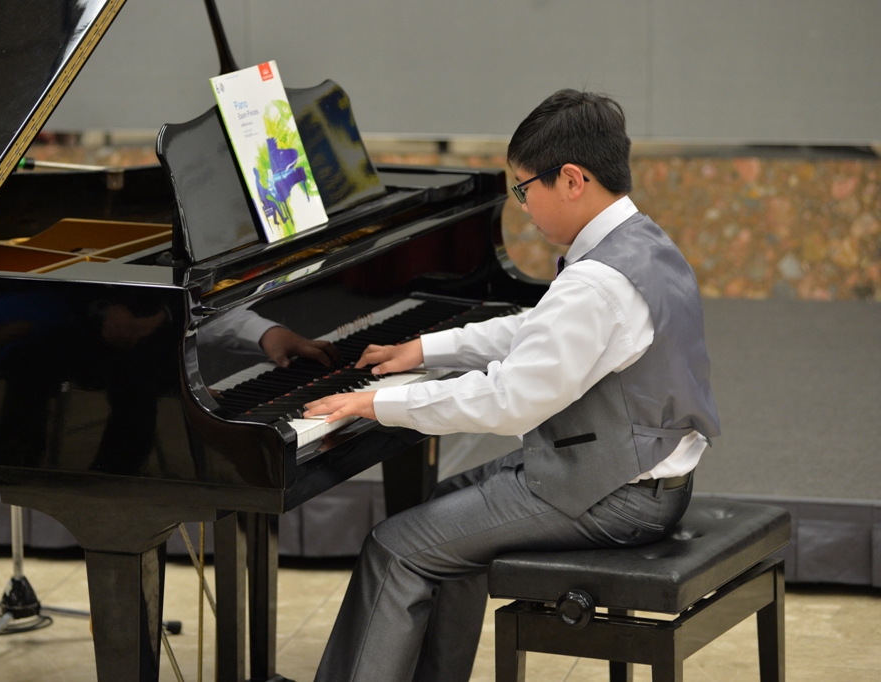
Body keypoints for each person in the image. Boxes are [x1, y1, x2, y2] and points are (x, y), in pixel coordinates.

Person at [303, 88, 721, 682]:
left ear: (571, 180)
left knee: (394, 547)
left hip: (616, 498)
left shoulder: (597, 282)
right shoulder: (641, 243)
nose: (522, 206)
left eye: (524, 189)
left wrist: (379, 403)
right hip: (633, 476)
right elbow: (540, 328)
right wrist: (428, 348)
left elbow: (509, 400)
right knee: (439, 508)